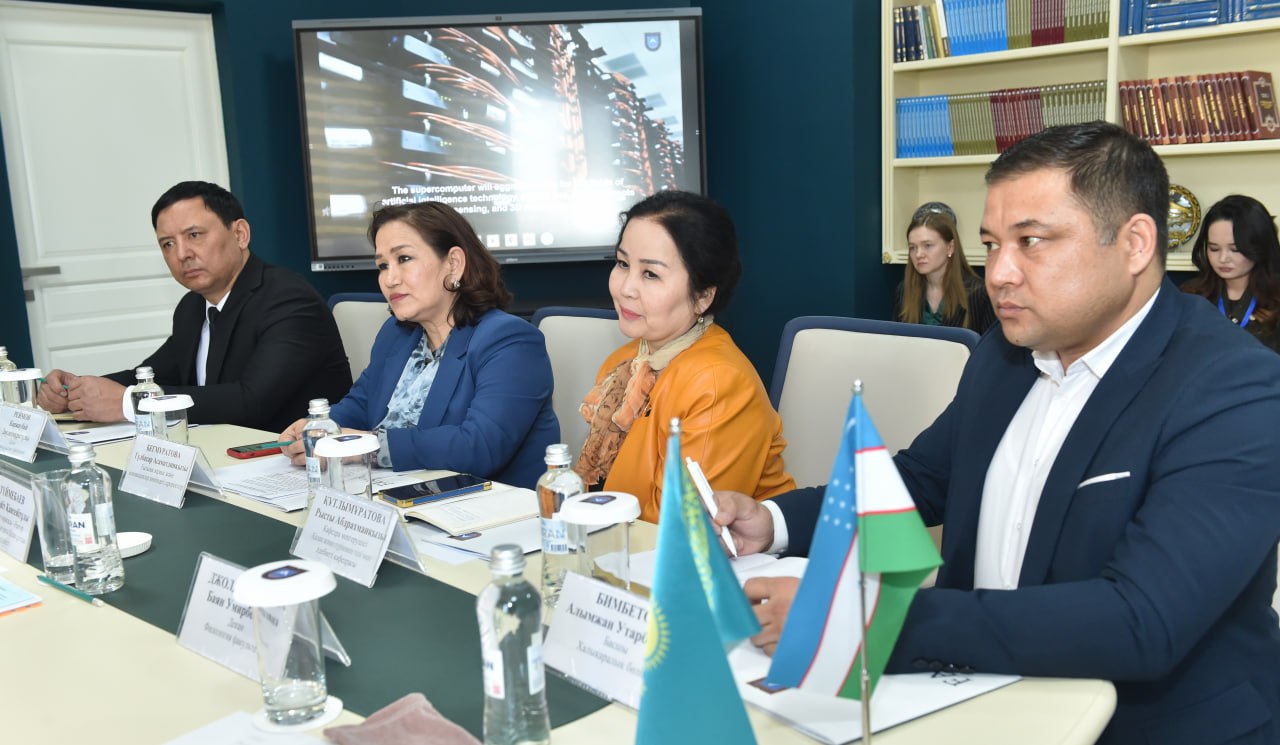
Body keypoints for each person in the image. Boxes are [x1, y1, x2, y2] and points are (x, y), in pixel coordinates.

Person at [715, 123, 1280, 745]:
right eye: (991, 244)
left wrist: (870, 623)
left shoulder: (1236, 387)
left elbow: (1141, 619)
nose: (999, 273)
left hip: (1145, 725)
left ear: (1135, 243)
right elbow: (921, 478)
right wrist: (775, 521)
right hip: (978, 697)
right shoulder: (1003, 354)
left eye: (1031, 242)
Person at [280, 201, 558, 489]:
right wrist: (319, 428)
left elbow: (480, 446)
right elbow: (361, 405)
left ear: (453, 264)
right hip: (397, 496)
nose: (390, 279)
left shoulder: (510, 341)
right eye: (382, 266)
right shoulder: (396, 334)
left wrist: (365, 446)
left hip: (487, 506)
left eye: (404, 259)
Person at [37, 181, 351, 433]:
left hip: (292, 458)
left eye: (194, 235)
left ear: (240, 234)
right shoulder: (192, 306)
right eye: (168, 244)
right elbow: (150, 375)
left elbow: (252, 402)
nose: (182, 254)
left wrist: (130, 402)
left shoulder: (288, 299)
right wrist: (76, 390)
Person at [574, 190, 795, 523]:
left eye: (650, 274)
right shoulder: (623, 362)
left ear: (703, 296)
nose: (625, 288)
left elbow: (683, 527)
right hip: (626, 543)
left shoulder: (718, 384)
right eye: (622, 264)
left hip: (721, 553)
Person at [1180, 194, 1280, 352]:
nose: (1223, 259)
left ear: (1259, 246)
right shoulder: (1191, 297)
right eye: (1214, 249)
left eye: (1235, 249)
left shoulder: (1275, 300)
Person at [894, 202, 995, 334]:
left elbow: (990, 346)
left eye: (927, 245)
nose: (918, 254)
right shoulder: (904, 291)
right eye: (912, 247)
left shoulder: (979, 294)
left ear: (950, 247)